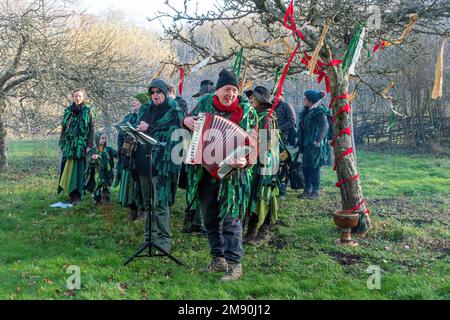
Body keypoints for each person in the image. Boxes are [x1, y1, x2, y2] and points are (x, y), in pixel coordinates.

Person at [183, 69, 258, 282]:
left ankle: (235, 264)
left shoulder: (247, 111)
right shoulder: (205, 104)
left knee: (231, 219)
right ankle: (218, 259)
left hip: (233, 176)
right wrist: (186, 122)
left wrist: (246, 160)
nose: (231, 94)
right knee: (209, 218)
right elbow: (188, 119)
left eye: (235, 90)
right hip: (206, 171)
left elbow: (253, 143)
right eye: (227, 90)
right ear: (218, 90)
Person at [134, 79, 183, 254]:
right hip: (143, 161)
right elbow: (140, 127)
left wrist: (150, 128)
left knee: (160, 203)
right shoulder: (146, 109)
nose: (155, 95)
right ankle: (149, 238)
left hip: (161, 164)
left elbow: (176, 135)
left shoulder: (174, 110)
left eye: (158, 92)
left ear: (164, 92)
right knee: (147, 203)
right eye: (152, 92)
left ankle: (164, 241)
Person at [245, 86, 279, 246]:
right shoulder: (254, 115)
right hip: (255, 162)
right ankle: (250, 230)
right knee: (253, 196)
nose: (250, 99)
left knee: (263, 196)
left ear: (260, 100)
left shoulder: (266, 118)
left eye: (253, 97)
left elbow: (266, 143)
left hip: (265, 164)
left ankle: (263, 231)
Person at [181, 79, 215, 235]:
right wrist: (186, 121)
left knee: (206, 190)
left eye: (206, 95)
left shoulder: (216, 108)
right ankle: (195, 222)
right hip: (196, 151)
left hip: (212, 156)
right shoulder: (199, 108)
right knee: (195, 186)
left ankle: (203, 224)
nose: (203, 98)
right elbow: (187, 122)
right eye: (202, 95)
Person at [116, 93, 149, 220]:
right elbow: (120, 134)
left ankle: (142, 211)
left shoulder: (146, 117)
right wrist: (121, 151)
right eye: (133, 101)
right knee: (129, 183)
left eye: (137, 101)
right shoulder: (128, 117)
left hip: (140, 156)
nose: (134, 103)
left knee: (140, 184)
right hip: (127, 156)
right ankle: (132, 211)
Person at [58, 89, 94, 204]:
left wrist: (89, 145)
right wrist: (61, 144)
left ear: (83, 98)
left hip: (81, 145)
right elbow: (64, 129)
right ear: (73, 97)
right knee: (68, 169)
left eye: (79, 96)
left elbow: (91, 129)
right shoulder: (68, 111)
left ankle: (78, 195)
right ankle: (71, 194)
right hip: (69, 145)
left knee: (79, 170)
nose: (77, 98)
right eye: (75, 96)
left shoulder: (88, 111)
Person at [297, 90, 331, 199]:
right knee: (306, 166)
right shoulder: (307, 111)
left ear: (311, 100)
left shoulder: (319, 111)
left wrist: (317, 140)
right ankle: (307, 189)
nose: (304, 100)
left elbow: (324, 126)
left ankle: (316, 191)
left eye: (305, 98)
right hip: (307, 143)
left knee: (314, 167)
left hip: (316, 145)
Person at [274, 91, 298, 199]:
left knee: (284, 163)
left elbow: (292, 121)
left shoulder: (286, 106)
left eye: (277, 94)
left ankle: (283, 187)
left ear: (281, 95)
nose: (275, 97)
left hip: (286, 139)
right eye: (273, 94)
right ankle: (278, 185)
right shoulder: (272, 107)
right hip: (274, 138)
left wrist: (280, 129)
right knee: (276, 162)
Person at [84, 132, 118, 205]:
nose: (104, 140)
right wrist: (92, 158)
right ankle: (97, 199)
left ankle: (106, 198)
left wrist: (121, 155)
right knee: (97, 185)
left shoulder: (108, 149)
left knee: (106, 185)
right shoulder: (93, 150)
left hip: (107, 172)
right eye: (102, 138)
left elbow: (116, 154)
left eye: (105, 138)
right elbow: (88, 159)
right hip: (98, 173)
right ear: (97, 139)